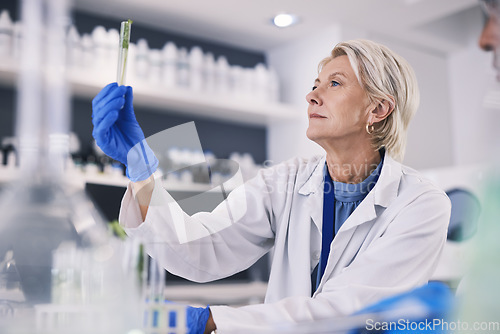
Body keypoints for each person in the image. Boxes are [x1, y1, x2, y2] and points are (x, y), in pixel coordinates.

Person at [91, 39, 451, 333]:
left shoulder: (421, 204)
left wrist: (214, 320)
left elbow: (350, 311)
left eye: (335, 84)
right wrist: (140, 168)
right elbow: (202, 248)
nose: (312, 96)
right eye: (315, 85)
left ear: (378, 110)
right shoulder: (286, 179)